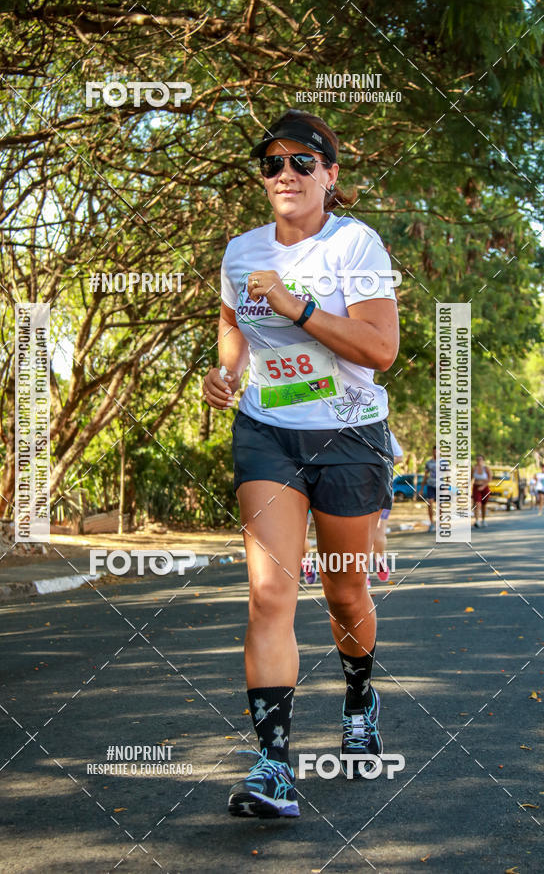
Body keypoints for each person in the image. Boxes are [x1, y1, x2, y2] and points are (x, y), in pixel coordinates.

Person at [203, 108, 399, 817]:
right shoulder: (240, 251)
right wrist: (225, 374)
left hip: (348, 436)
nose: (285, 175)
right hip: (269, 432)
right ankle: (274, 767)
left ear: (330, 175)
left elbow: (381, 351)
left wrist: (301, 304)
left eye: (301, 163)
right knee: (269, 594)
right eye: (272, 164)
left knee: (345, 594)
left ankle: (359, 696)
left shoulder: (358, 245)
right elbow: (232, 326)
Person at [371, 430, 404, 582]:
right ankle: (362, 574)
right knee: (359, 533)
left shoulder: (385, 431)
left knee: (379, 531)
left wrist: (380, 460)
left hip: (382, 487)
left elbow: (399, 457)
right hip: (354, 489)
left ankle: (379, 559)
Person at [471, 454, 491, 528]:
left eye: (480, 459)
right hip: (476, 487)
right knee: (477, 503)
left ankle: (483, 520)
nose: (479, 461)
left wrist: (483, 486)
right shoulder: (474, 468)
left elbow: (490, 478)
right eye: (477, 459)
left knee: (484, 504)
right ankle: (477, 521)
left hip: (485, 487)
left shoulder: (486, 468)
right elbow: (471, 478)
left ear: (483, 460)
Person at [421, 446, 437, 532]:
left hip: (441, 486)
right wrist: (421, 488)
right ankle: (431, 523)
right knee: (430, 503)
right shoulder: (429, 463)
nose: (435, 453)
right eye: (434, 452)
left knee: (441, 506)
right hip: (430, 485)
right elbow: (425, 475)